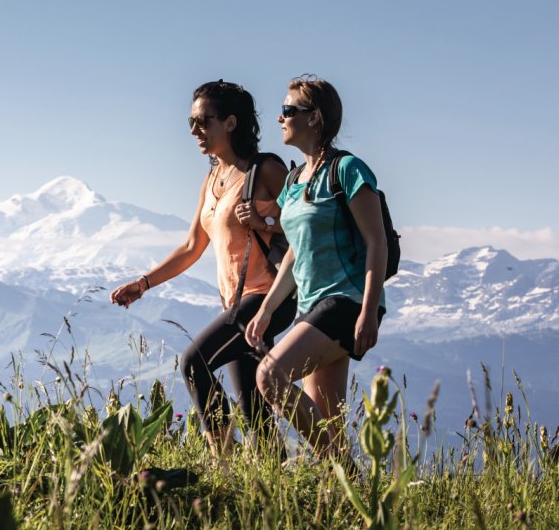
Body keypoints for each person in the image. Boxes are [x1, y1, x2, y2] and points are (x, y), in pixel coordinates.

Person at [110, 80, 295, 458]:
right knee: (253, 407)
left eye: (202, 120)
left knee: (194, 364)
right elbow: (193, 247)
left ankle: (221, 460)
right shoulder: (212, 180)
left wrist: (267, 225)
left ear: (230, 122)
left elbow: (303, 226)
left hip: (268, 298)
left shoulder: (266, 170)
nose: (194, 129)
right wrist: (143, 284)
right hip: (236, 303)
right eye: (191, 121)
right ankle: (274, 490)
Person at [244, 75, 387, 460]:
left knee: (269, 377)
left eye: (289, 110)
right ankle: (353, 505)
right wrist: (267, 309)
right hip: (312, 304)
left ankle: (348, 472)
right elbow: (293, 253)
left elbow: (378, 241)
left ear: (315, 117)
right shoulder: (294, 180)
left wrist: (369, 311)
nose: (280, 117)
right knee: (326, 419)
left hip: (346, 301)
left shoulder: (349, 170)